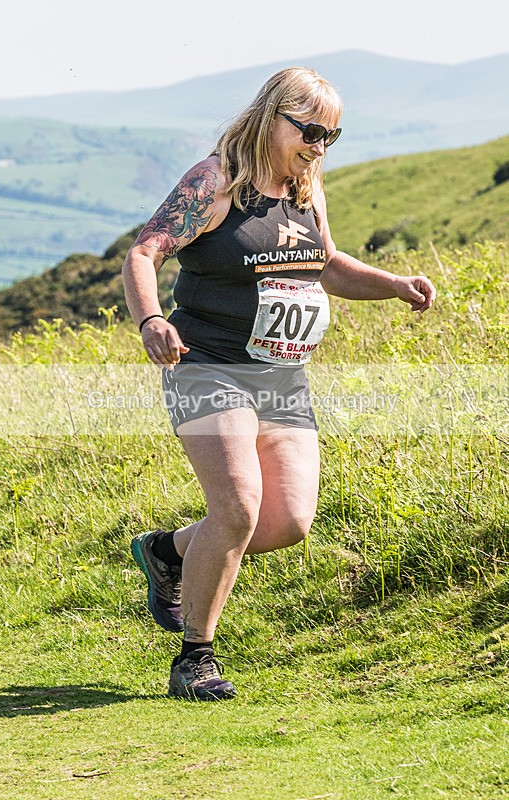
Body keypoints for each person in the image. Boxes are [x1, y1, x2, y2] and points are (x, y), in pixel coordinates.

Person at [122, 67, 436, 701]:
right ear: (272, 117)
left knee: (287, 521)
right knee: (237, 507)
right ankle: (195, 658)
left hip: (281, 377)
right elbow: (144, 253)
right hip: (208, 365)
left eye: (331, 136)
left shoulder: (305, 188)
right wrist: (152, 319)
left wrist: (395, 285)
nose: (319, 146)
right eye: (310, 131)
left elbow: (326, 266)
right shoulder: (216, 183)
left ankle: (169, 553)